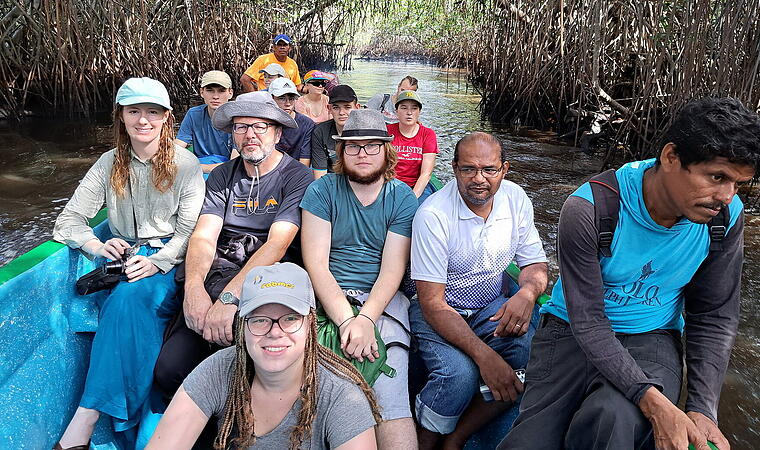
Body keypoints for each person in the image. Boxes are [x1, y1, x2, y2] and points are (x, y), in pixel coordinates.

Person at [499, 98, 760, 450]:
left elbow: (713, 315)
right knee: (528, 444)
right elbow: (589, 321)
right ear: (671, 157)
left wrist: (702, 408)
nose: (726, 195)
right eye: (717, 177)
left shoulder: (725, 218)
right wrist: (650, 397)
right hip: (572, 330)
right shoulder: (591, 209)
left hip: (652, 335)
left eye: (738, 184)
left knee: (614, 419)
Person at [51, 77, 205, 449]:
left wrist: (158, 262)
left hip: (170, 260)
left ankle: (84, 422)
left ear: (167, 118)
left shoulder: (186, 165)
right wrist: (95, 244)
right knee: (126, 301)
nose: (143, 121)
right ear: (121, 116)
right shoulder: (109, 163)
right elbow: (67, 221)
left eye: (153, 112)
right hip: (126, 258)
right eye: (134, 111)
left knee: (128, 301)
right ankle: (130, 414)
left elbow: (189, 234)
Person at [153, 91, 314, 399]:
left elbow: (277, 245)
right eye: (241, 127)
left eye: (260, 127)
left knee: (249, 367)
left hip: (270, 278)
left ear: (277, 134)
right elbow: (203, 236)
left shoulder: (297, 177)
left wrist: (229, 300)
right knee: (169, 370)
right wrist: (195, 291)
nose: (249, 134)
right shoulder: (223, 176)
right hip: (217, 272)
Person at [409, 132, 549, 449]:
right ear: (455, 169)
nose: (479, 179)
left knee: (527, 357)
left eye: (489, 169)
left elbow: (536, 265)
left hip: (489, 306)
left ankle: (456, 439)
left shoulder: (515, 199)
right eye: (468, 169)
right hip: (440, 310)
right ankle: (425, 442)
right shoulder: (433, 215)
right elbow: (432, 304)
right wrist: (485, 357)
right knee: (458, 377)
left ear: (504, 169)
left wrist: (526, 294)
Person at [147, 263, 381, 450]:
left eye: (290, 319)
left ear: (310, 324)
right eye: (260, 320)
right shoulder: (220, 370)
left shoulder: (341, 397)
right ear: (242, 325)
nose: (275, 332)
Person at [300, 109, 419, 449]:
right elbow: (317, 265)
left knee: (391, 394)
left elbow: (392, 269)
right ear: (341, 152)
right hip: (327, 296)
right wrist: (347, 319)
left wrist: (366, 317)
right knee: (318, 386)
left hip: (382, 301)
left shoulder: (402, 198)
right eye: (353, 147)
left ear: (386, 150)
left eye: (371, 146)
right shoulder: (322, 191)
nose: (362, 154)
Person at [175, 70, 236, 173]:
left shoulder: (237, 118)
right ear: (202, 92)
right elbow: (178, 146)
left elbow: (235, 162)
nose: (215, 96)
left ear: (230, 93)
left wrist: (200, 168)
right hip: (200, 166)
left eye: (221, 91)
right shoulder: (194, 114)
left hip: (224, 170)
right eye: (210, 90)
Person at [386, 90, 438, 202]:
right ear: (396, 111)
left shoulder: (428, 134)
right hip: (391, 184)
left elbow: (426, 173)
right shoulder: (387, 132)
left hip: (417, 185)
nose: (409, 113)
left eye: (414, 108)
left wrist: (411, 199)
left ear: (419, 112)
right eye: (404, 108)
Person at [310, 84, 360, 179]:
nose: (341, 112)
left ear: (357, 108)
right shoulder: (320, 132)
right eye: (336, 108)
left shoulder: (368, 131)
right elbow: (320, 176)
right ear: (329, 109)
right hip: (332, 182)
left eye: (347, 107)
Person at [269, 77, 314, 166]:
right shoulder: (265, 122)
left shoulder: (307, 124)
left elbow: (304, 160)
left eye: (291, 98)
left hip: (295, 172)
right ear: (272, 98)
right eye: (282, 98)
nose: (288, 103)